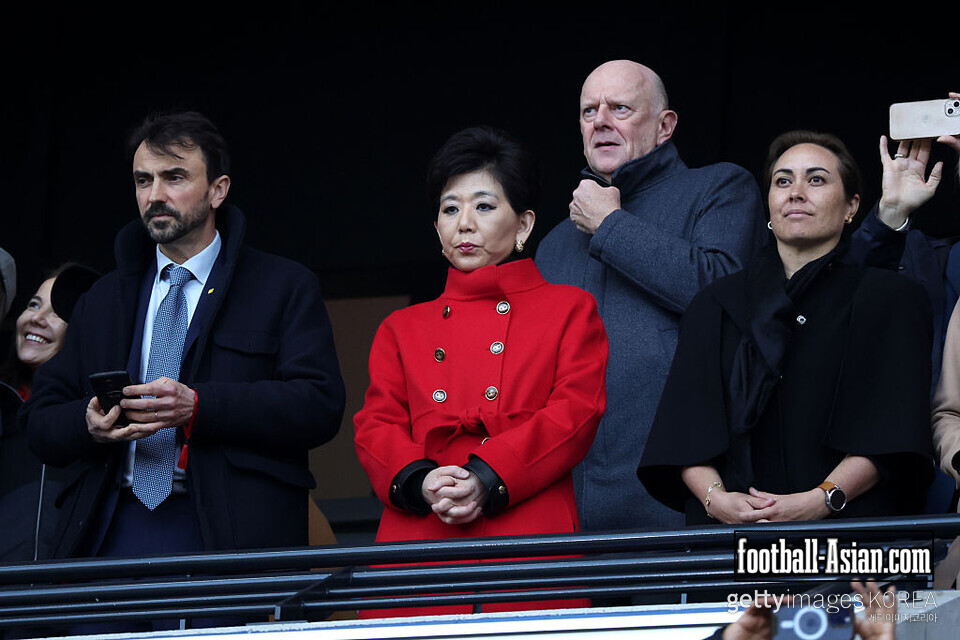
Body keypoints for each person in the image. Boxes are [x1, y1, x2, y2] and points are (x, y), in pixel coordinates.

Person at [21, 112, 346, 572]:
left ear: (219, 189)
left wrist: (200, 406)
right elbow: (39, 419)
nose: (155, 195)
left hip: (233, 538)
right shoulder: (104, 299)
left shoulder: (283, 286)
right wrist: (86, 422)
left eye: (174, 177)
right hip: (109, 528)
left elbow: (320, 404)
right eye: (143, 180)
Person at [354, 126, 608, 617]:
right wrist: (421, 481)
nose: (464, 223)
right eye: (450, 209)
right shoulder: (401, 327)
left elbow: (576, 414)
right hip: (420, 532)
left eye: (484, 206)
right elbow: (374, 426)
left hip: (528, 527)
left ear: (524, 226)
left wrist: (488, 476)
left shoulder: (569, 309)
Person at [638, 130, 933, 525]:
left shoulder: (891, 299)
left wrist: (821, 500)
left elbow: (895, 430)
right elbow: (684, 428)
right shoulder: (715, 303)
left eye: (816, 179)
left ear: (852, 206)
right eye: (782, 180)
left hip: (850, 548)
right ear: (769, 207)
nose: (795, 192)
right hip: (733, 550)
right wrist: (717, 500)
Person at [534, 59, 765, 532]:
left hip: (684, 500)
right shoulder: (555, 242)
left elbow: (720, 293)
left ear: (665, 126)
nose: (600, 120)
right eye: (588, 111)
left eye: (620, 108)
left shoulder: (719, 186)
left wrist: (610, 226)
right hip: (571, 509)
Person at [0, 263, 98, 562]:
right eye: (33, 305)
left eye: (57, 312)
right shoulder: (3, 403)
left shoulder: (97, 418)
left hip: (65, 597)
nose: (37, 319)